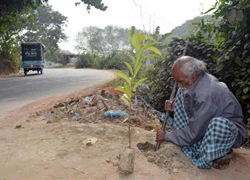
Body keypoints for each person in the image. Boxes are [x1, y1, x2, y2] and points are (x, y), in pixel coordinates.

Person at [156, 56, 247, 169]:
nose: (178, 85)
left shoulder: (207, 93)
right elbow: (195, 108)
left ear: (194, 75)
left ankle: (216, 154)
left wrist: (168, 136)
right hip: (206, 123)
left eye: (180, 81)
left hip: (229, 132)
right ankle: (189, 142)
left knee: (218, 124)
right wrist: (175, 106)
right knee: (181, 93)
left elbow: (194, 131)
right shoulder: (198, 80)